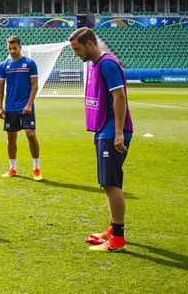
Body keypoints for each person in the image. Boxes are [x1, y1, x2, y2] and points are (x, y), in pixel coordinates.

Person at [69, 27, 133, 252]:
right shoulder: (95, 65)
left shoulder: (107, 64)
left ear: (89, 44)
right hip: (104, 131)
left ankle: (118, 238)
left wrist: (117, 133)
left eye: (77, 49)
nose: (76, 53)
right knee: (109, 183)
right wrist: (98, 133)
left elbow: (119, 97)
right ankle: (113, 227)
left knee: (111, 183)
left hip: (114, 131)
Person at [0, 36, 41, 180]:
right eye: (10, 48)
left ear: (20, 47)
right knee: (11, 137)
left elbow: (35, 85)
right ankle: (12, 168)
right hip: (10, 107)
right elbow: (1, 87)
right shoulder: (4, 65)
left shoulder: (29, 63)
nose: (12, 51)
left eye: (14, 48)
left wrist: (29, 104)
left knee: (30, 134)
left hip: (26, 106)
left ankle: (36, 168)